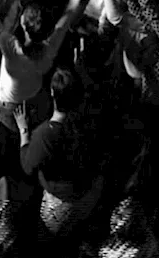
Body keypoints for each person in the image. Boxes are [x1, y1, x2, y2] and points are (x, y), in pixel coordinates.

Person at [0, 0, 100, 133]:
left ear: (22, 22)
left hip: (10, 109)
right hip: (38, 100)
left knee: (13, 138)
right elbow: (72, 7)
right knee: (37, 130)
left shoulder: (10, 47)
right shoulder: (50, 47)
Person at [16, 68, 104, 238]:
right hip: (91, 196)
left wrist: (23, 130)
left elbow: (27, 167)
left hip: (64, 206)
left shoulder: (45, 135)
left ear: (51, 92)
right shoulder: (90, 123)